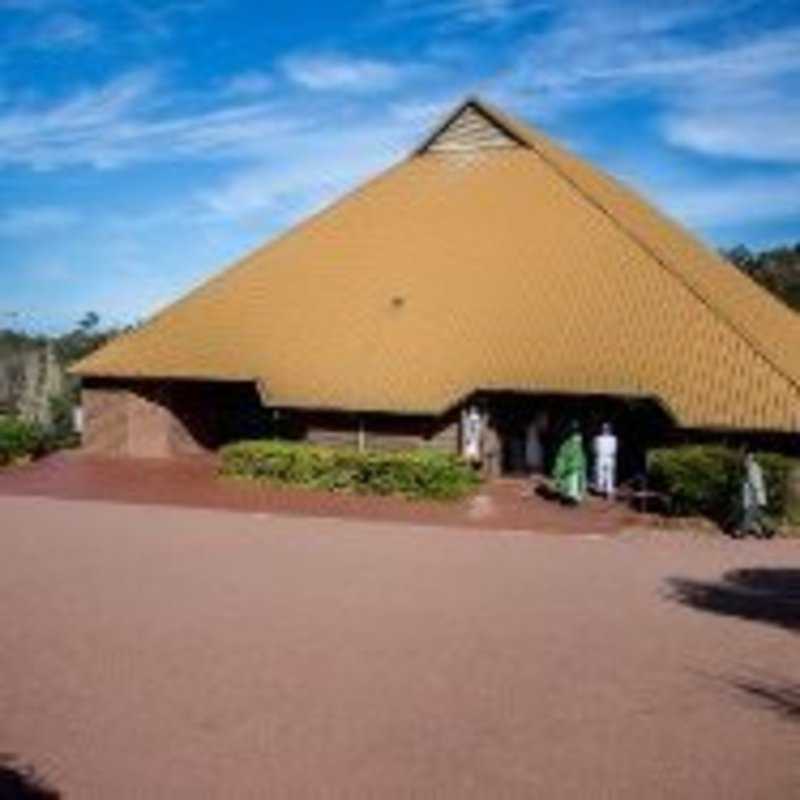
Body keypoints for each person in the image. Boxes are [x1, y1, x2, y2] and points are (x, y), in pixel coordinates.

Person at [552, 422, 587, 505]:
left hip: (574, 468)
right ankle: (572, 497)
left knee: (574, 482)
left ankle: (573, 497)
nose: (577, 438)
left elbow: (562, 459)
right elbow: (562, 459)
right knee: (571, 482)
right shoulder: (568, 445)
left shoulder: (571, 446)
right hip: (572, 468)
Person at [740, 451, 770, 537]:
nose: (746, 462)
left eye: (748, 459)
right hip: (754, 496)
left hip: (753, 496)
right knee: (758, 515)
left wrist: (754, 496)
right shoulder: (752, 469)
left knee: (748, 515)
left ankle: (743, 532)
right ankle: (768, 529)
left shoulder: (753, 469)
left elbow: (755, 484)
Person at [592, 422, 618, 498]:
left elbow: (614, 450)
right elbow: (595, 449)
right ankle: (601, 489)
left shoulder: (613, 439)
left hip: (608, 457)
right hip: (601, 457)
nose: (605, 430)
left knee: (609, 474)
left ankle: (608, 491)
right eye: (604, 429)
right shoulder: (598, 438)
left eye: (606, 429)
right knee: (601, 474)